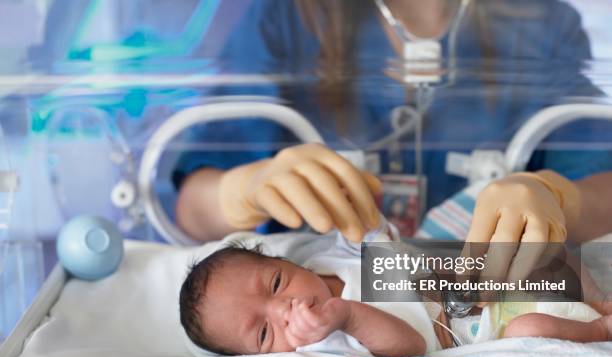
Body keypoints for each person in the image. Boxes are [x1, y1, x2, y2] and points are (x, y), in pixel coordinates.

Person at [174, 0, 612, 247]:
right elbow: (190, 210)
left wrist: (559, 197)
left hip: (473, 291)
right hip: (319, 298)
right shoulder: (285, 18)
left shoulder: (542, 23)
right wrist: (246, 191)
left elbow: (602, 188)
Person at [179, 216, 612, 357]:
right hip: (485, 329)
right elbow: (409, 344)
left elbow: (373, 234)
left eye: (276, 282)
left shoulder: (325, 259)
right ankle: (602, 329)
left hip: (478, 288)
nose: (286, 308)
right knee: (529, 328)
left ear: (285, 261)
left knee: (550, 250)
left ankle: (599, 299)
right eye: (263, 332)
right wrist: (346, 315)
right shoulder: (322, 346)